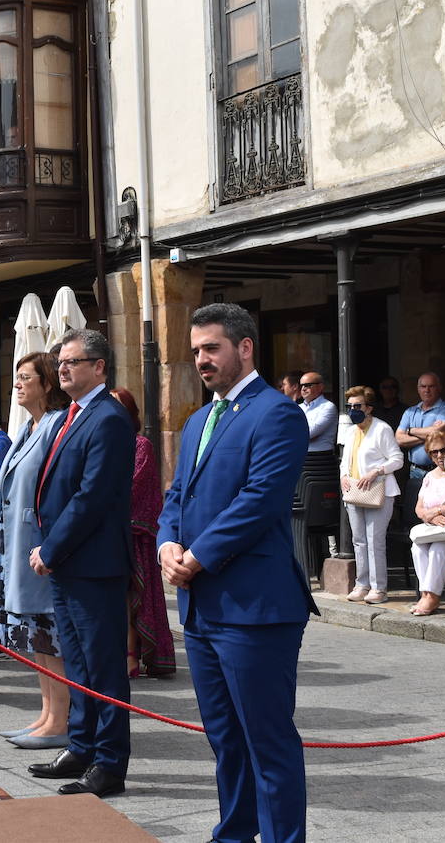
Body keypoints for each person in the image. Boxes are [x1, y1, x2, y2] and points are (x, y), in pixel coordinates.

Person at [158, 302, 314, 843]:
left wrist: (196, 558)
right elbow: (177, 495)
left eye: (212, 348)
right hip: (202, 608)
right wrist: (167, 545)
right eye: (196, 350)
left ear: (245, 348)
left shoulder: (277, 413)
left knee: (266, 740)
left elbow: (260, 501)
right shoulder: (200, 418)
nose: (201, 359)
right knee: (224, 738)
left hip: (255, 608)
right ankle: (234, 834)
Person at [25, 330, 134, 800]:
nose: (63, 368)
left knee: (104, 667)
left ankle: (109, 762)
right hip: (70, 564)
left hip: (93, 565)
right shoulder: (74, 415)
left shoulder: (108, 418)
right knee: (78, 664)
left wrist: (51, 549)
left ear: (100, 367)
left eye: (73, 361)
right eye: (60, 361)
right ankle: (82, 744)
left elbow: (92, 497)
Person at [0, 353, 69, 743]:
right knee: (36, 636)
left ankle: (61, 720)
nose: (17, 384)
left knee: (48, 634)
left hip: (39, 547)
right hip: (15, 546)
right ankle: (46, 712)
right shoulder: (27, 427)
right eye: (15, 377)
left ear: (47, 383)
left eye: (25, 378)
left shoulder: (56, 426)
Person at [110, 387, 176, 679]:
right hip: (106, 531)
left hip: (133, 532)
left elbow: (136, 486)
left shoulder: (141, 445)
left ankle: (130, 655)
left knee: (130, 597)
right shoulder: (100, 441)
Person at [339, 386, 404, 604]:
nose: (353, 410)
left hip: (379, 492)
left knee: (374, 540)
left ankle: (379, 588)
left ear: (369, 408)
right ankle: (361, 584)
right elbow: (344, 461)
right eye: (350, 406)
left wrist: (377, 471)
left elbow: (397, 459)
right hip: (354, 491)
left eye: (357, 406)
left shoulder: (382, 429)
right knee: (359, 540)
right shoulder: (350, 431)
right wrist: (344, 476)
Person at [397, 373, 445, 529]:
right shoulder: (410, 411)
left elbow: (441, 431)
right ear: (418, 389)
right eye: (423, 386)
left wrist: (410, 430)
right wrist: (429, 436)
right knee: (415, 515)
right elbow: (398, 439)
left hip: (440, 470)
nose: (427, 390)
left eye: (431, 386)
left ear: (439, 388)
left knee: (440, 516)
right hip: (416, 471)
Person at [411, 431, 445, 616]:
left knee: (438, 549)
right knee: (417, 548)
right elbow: (419, 508)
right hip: (431, 528)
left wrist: (437, 511)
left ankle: (431, 597)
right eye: (434, 452)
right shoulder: (429, 477)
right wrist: (430, 516)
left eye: (444, 450)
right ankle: (426, 594)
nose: (440, 456)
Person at [298, 371, 337, 454]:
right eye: (301, 386)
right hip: (300, 455)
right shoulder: (298, 407)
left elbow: (310, 432)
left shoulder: (328, 406)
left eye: (307, 385)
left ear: (320, 387)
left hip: (321, 456)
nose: (303, 389)